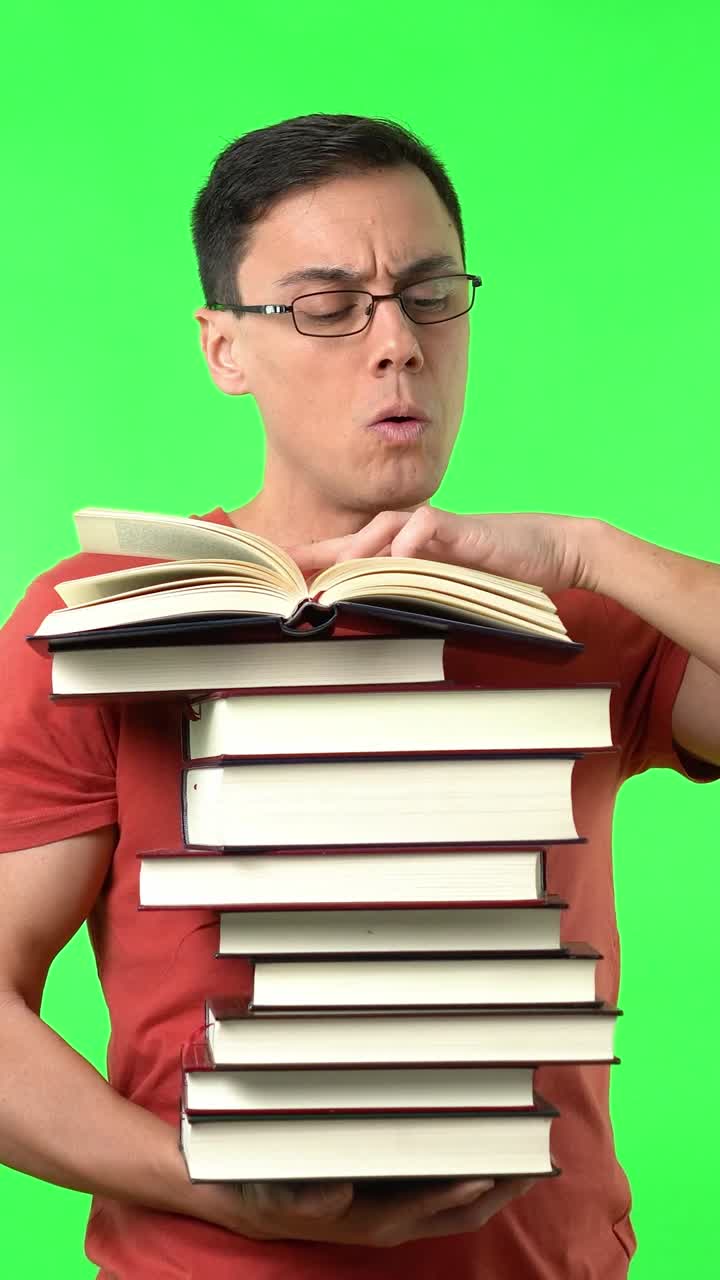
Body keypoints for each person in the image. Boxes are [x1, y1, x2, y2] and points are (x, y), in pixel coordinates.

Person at [0, 112, 718, 1280]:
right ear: (225, 348)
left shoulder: (575, 613)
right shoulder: (93, 627)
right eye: (326, 305)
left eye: (431, 295)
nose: (398, 345)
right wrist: (222, 1192)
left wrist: (592, 552)